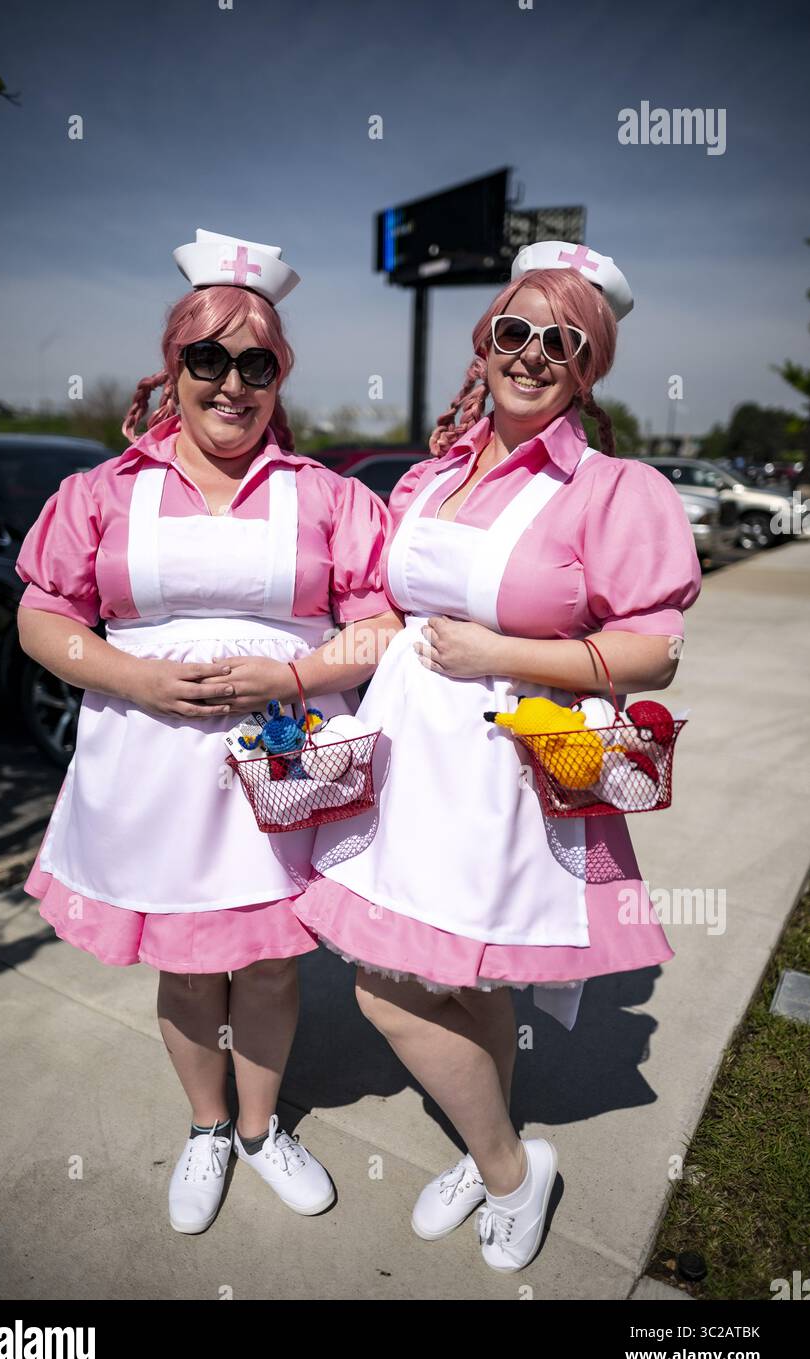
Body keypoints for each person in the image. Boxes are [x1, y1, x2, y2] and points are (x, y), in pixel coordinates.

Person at [290, 241, 703, 1272]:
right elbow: (386, 608)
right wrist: (292, 683)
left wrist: (497, 652)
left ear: (585, 365)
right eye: (512, 330)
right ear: (485, 342)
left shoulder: (610, 488)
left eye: (557, 341)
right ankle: (494, 1151)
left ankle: (508, 1167)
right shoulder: (430, 476)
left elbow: (652, 647)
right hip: (406, 759)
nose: (528, 354)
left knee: (394, 988)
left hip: (510, 768)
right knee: (457, 981)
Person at [15, 228, 402, 1236]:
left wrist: (294, 671)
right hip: (146, 769)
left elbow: (380, 624)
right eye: (208, 358)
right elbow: (43, 613)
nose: (232, 383)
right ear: (174, 364)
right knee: (189, 963)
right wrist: (132, 673)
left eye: (256, 363)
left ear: (279, 377)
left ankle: (262, 1127)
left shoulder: (325, 496)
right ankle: (204, 1126)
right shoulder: (100, 494)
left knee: (271, 961)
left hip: (282, 767)